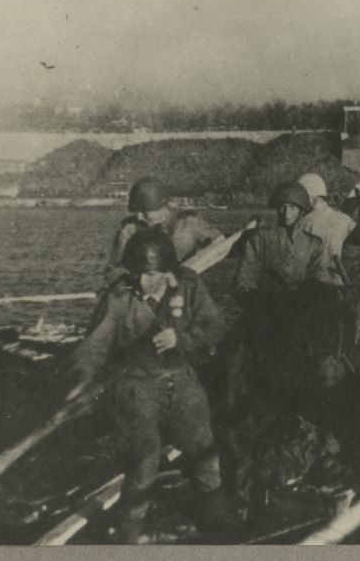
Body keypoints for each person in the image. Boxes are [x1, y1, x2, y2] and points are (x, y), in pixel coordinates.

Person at [68, 230, 240, 543]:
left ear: (168, 271)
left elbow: (215, 327)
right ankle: (128, 536)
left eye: (151, 275)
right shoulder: (119, 297)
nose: (144, 282)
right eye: (139, 275)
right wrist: (81, 382)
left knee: (205, 453)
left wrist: (182, 339)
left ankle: (219, 524)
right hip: (135, 388)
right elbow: (93, 348)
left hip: (182, 381)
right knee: (143, 464)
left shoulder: (187, 286)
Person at [103, 177, 223, 285]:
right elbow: (113, 271)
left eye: (145, 211)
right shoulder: (128, 231)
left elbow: (222, 244)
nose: (139, 216)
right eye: (137, 211)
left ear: (162, 207)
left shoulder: (190, 224)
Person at [234, 181, 323, 299]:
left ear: (301, 210)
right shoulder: (260, 238)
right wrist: (249, 297)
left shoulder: (313, 244)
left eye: (292, 207)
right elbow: (245, 275)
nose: (287, 213)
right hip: (265, 306)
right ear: (276, 208)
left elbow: (317, 279)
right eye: (283, 207)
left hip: (300, 308)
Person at [297, 172, 360, 285]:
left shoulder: (302, 223)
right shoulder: (340, 219)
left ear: (309, 197)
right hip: (336, 284)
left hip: (308, 285)